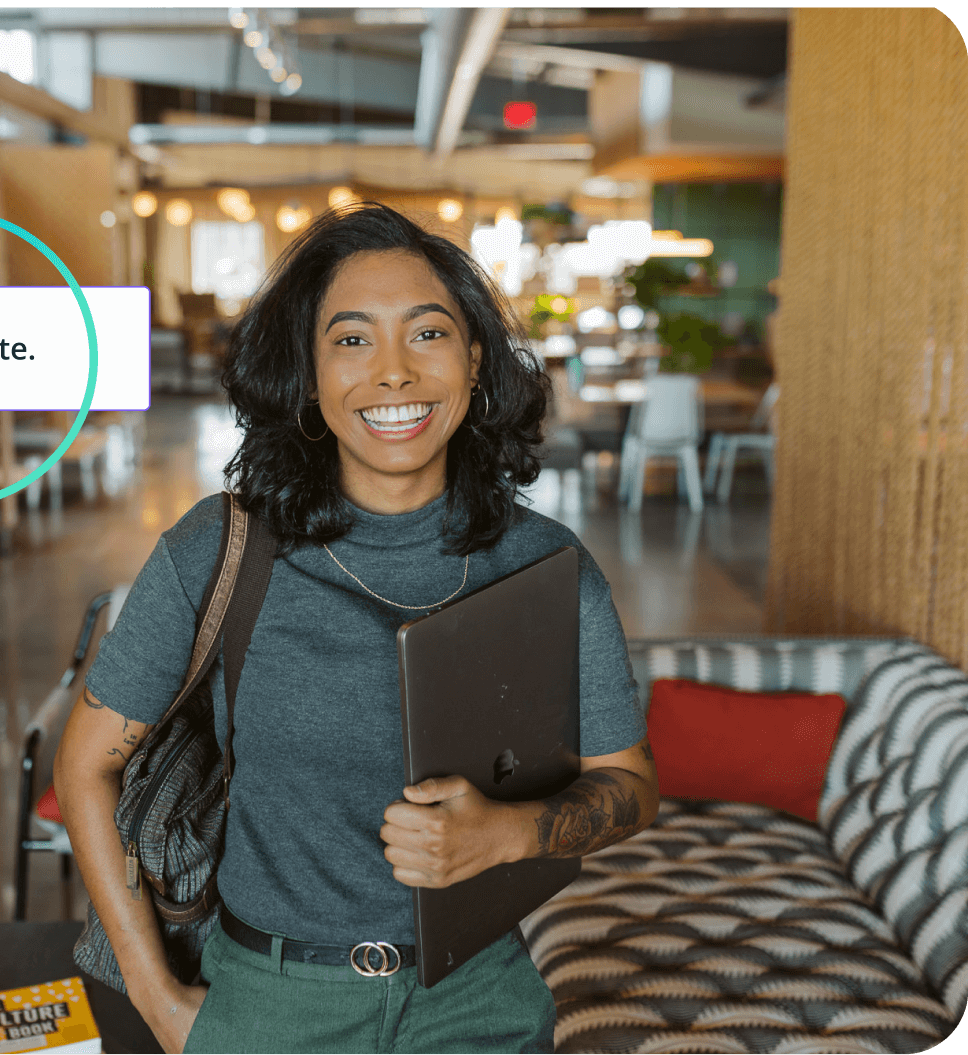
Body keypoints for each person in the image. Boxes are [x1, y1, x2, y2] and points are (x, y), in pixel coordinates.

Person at [55, 202, 658, 1054]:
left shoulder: (545, 566)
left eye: (426, 334)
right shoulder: (219, 549)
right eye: (349, 339)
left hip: (476, 999)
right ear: (306, 374)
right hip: (269, 1001)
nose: (393, 373)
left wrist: (507, 832)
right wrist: (158, 1000)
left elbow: (628, 784)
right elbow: (85, 765)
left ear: (474, 360)